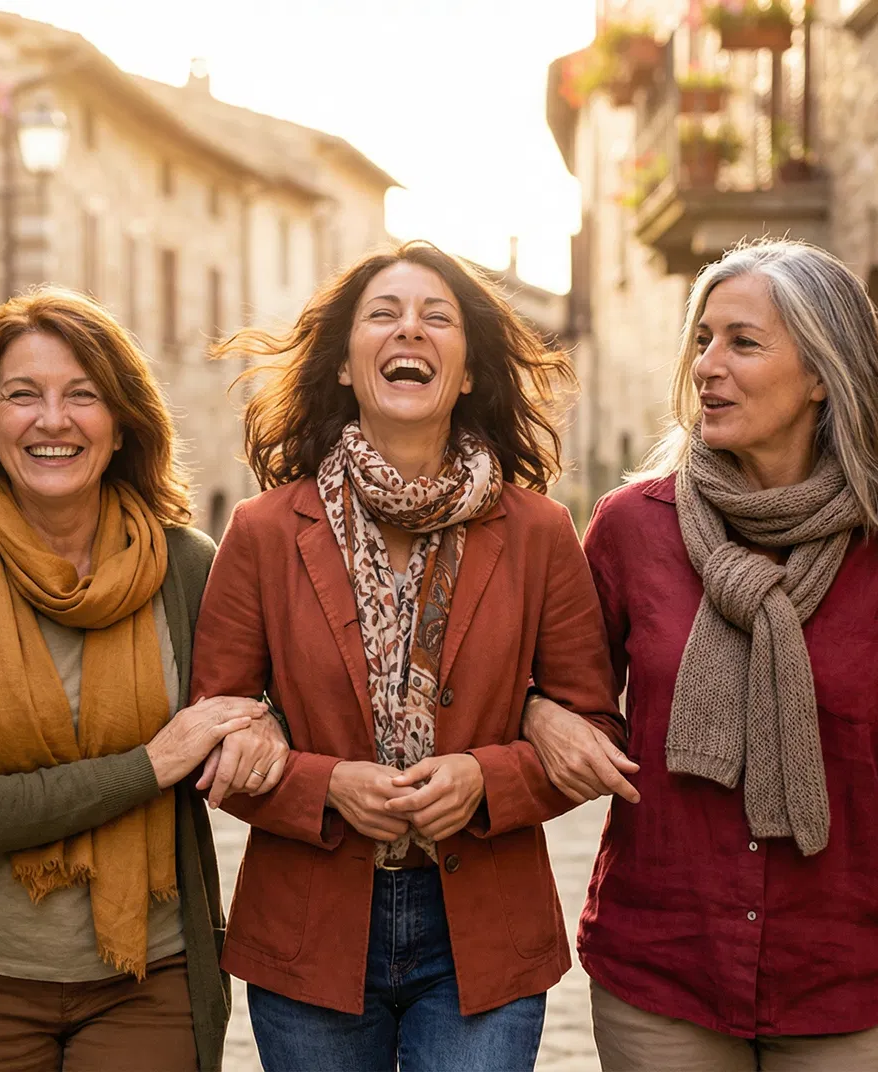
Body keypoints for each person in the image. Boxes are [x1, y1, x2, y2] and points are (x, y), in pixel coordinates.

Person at [522, 239, 878, 1072]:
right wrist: (542, 713)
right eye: (703, 339)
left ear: (821, 373)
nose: (708, 364)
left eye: (743, 342)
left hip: (843, 971)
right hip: (665, 961)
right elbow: (568, 698)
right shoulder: (634, 527)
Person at [190, 240, 625, 1071]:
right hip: (310, 929)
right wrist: (326, 788)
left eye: (438, 318)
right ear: (348, 367)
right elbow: (219, 733)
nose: (410, 331)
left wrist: (485, 780)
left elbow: (591, 726)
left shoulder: (540, 535)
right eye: (383, 315)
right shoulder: (262, 534)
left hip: (483, 931)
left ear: (465, 375)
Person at [0, 289, 288, 1072]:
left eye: (83, 395)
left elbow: (265, 714)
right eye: (22, 395)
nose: (53, 420)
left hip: (152, 974)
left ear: (122, 421)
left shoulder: (188, 566)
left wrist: (264, 724)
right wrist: (148, 767)